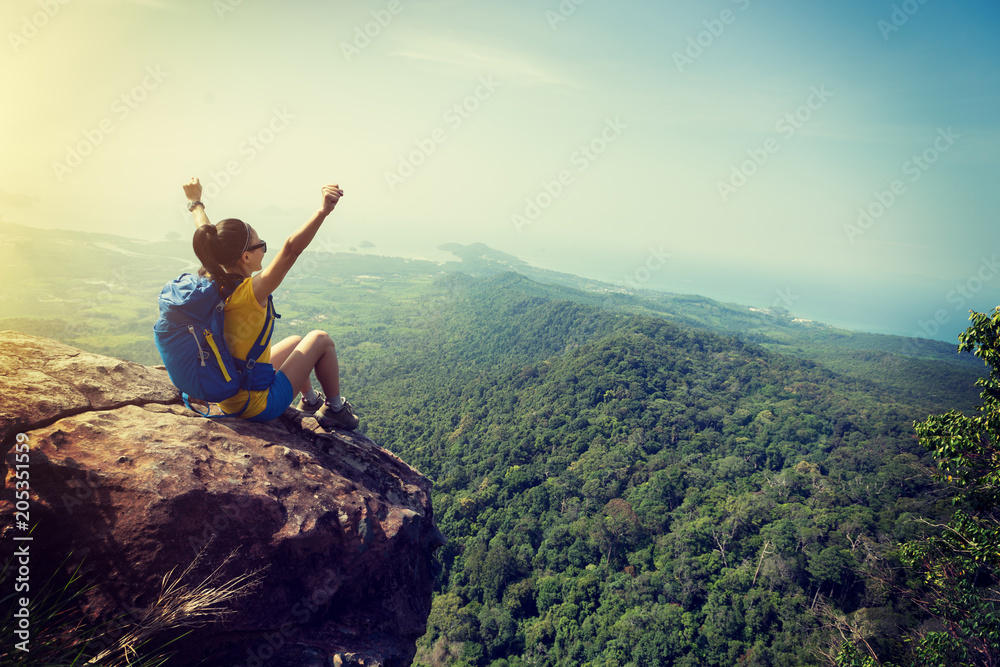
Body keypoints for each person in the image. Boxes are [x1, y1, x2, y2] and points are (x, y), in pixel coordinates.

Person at [181, 177, 359, 430]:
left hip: (228, 392)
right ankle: (335, 410)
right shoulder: (250, 292)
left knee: (297, 342)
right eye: (260, 245)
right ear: (245, 257)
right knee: (321, 339)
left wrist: (195, 204)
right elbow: (290, 250)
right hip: (256, 406)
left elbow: (209, 240)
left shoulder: (214, 280)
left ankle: (309, 401)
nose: (264, 249)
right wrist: (323, 212)